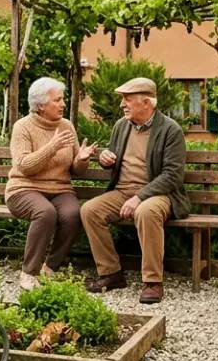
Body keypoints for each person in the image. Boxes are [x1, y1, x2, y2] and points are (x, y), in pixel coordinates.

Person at [81, 77, 190, 304]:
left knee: (145, 212)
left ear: (147, 103)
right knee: (89, 211)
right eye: (123, 99)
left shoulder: (171, 130)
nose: (122, 104)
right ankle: (111, 273)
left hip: (158, 194)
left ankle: (152, 281)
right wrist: (104, 158)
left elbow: (172, 175)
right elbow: (112, 155)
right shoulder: (122, 126)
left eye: (127, 99)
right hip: (122, 191)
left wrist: (139, 197)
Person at [5, 77, 95, 291]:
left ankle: (50, 268)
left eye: (62, 99)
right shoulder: (22, 127)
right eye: (58, 100)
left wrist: (81, 159)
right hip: (24, 188)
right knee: (45, 213)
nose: (63, 104)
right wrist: (51, 147)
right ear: (40, 105)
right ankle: (29, 272)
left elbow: (75, 170)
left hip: (60, 188)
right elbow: (24, 165)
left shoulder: (66, 126)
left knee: (73, 214)